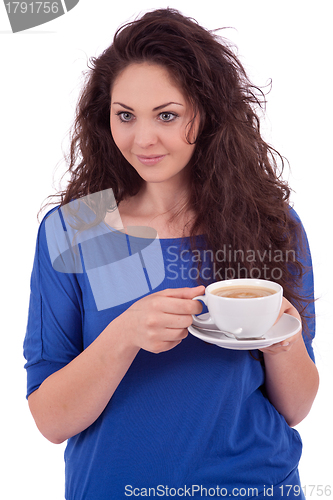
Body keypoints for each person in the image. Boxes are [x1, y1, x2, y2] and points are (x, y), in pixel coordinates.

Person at [24, 8, 319, 499]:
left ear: (205, 113)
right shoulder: (80, 228)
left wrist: (281, 337)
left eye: (167, 114)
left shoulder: (267, 224)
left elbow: (296, 407)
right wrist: (125, 334)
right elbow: (50, 420)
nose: (143, 139)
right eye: (125, 115)